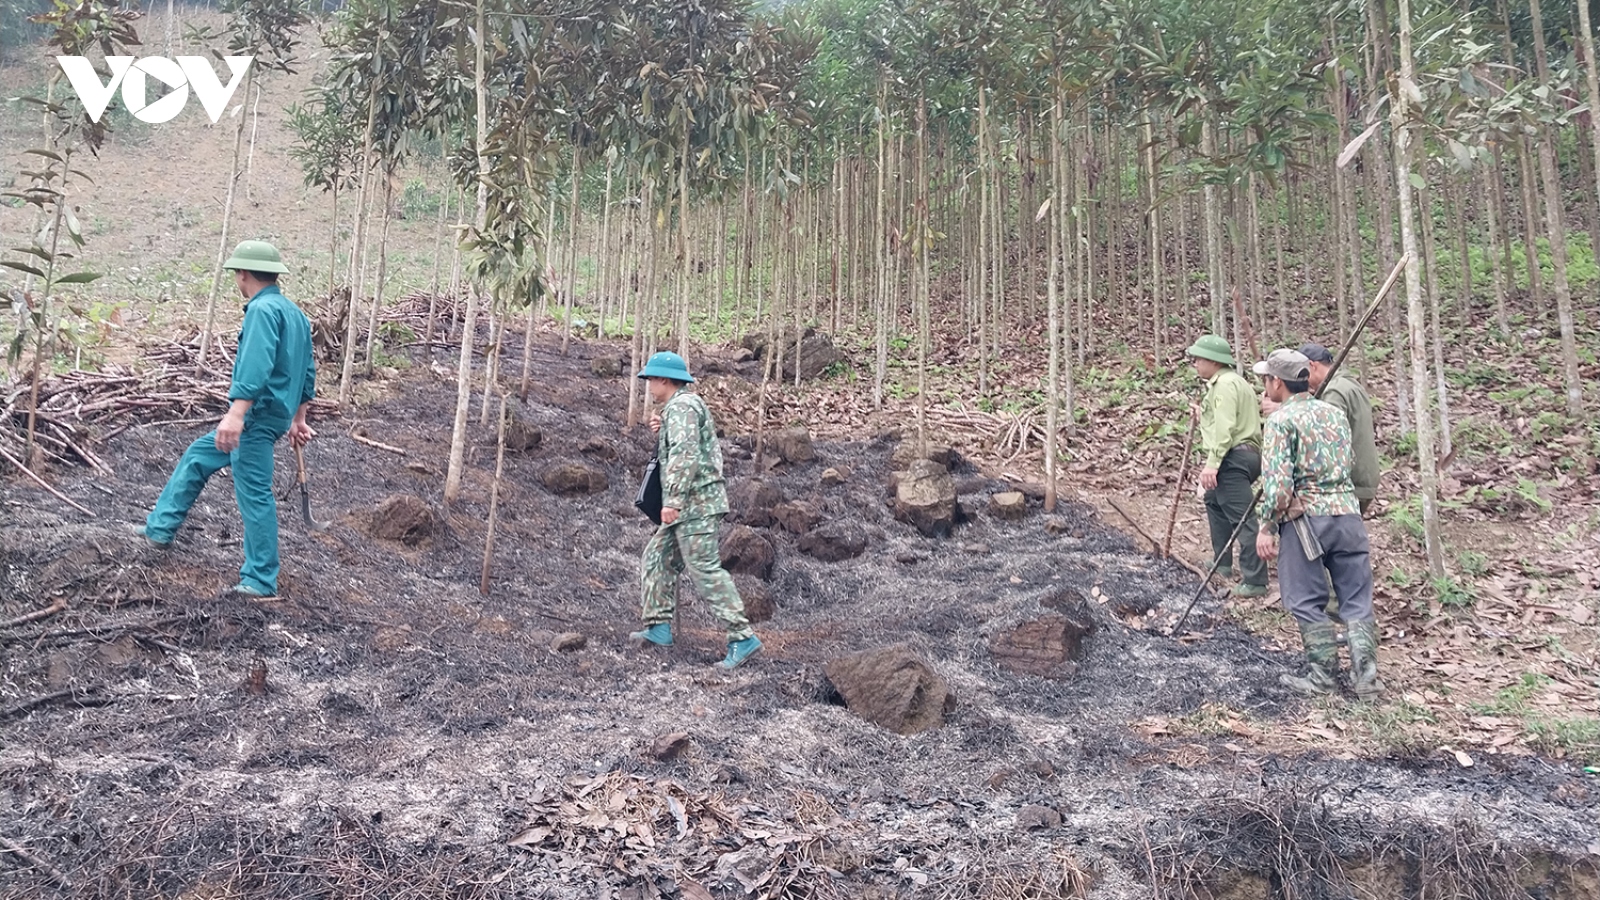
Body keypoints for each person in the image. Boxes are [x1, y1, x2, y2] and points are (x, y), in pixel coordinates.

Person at [137, 240, 316, 599]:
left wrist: (236, 414)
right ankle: (159, 530)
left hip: (257, 417)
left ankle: (260, 579)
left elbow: (256, 366)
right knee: (199, 456)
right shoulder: (294, 313)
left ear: (243, 274)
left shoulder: (262, 311)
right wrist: (298, 419)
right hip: (276, 414)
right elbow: (307, 372)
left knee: (254, 494)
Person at [1252, 349, 1383, 699]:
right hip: (1348, 515)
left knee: (1306, 598)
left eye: (1266, 380)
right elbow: (1350, 460)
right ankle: (1367, 677)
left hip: (1307, 520)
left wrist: (1266, 525)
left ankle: (1323, 677)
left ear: (1277, 382)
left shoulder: (1280, 423)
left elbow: (1278, 487)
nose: (1265, 387)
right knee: (1356, 598)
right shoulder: (1332, 413)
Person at [629, 351, 762, 670]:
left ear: (663, 379)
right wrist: (664, 428)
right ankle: (659, 628)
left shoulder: (684, 407)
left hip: (695, 504)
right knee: (657, 557)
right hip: (692, 502)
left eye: (650, 379)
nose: (647, 384)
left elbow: (686, 455)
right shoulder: (679, 408)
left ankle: (742, 637)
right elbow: (688, 445)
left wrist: (672, 500)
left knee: (704, 569)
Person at [1185, 334, 1268, 598]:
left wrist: (1212, 464)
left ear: (1213, 361)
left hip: (1234, 457)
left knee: (1242, 517)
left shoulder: (1223, 385)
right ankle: (1222, 562)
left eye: (1198, 359)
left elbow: (1226, 428)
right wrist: (1203, 415)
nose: (1195, 363)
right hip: (1243, 455)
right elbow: (1223, 419)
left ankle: (1255, 580)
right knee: (1214, 500)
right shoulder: (1232, 383)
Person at [1260, 342, 1378, 515]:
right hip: (1364, 476)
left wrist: (1283, 411)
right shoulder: (1348, 384)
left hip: (1346, 484)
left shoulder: (1334, 391)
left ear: (1312, 366)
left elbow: (1322, 430)